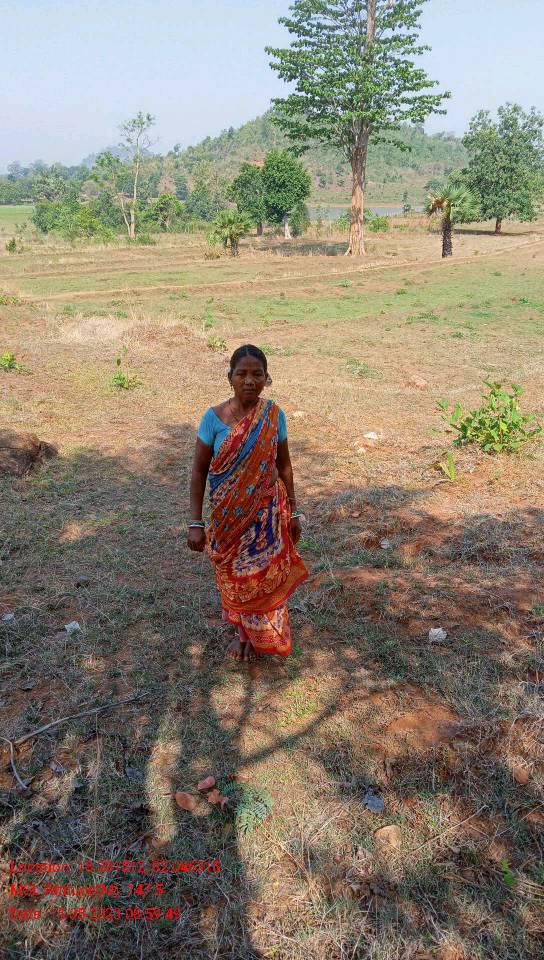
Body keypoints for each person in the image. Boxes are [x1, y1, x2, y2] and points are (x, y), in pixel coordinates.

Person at [188, 344, 309, 662]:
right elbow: (199, 471)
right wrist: (195, 522)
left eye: (258, 374)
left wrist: (294, 512)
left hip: (267, 513)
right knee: (236, 578)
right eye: (242, 374)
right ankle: (242, 634)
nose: (250, 381)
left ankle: (258, 635)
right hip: (228, 517)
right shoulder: (213, 419)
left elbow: (284, 466)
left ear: (267, 378)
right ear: (230, 377)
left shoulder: (273, 416)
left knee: (262, 577)